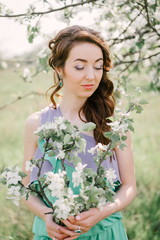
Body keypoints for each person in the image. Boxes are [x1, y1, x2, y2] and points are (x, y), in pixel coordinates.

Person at [22, 25, 137, 240]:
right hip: (54, 235)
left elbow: (129, 186)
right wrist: (47, 216)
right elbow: (26, 188)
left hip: (104, 232)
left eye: (98, 66)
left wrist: (102, 212)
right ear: (59, 68)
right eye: (79, 67)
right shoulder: (37, 124)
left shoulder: (114, 124)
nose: (91, 76)